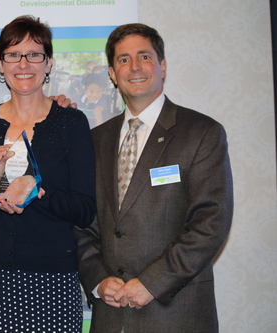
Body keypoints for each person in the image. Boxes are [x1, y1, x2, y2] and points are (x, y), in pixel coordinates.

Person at [74, 23, 233, 333]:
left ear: (162, 66)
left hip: (175, 314)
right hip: (110, 315)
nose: (134, 67)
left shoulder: (201, 133)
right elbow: (83, 223)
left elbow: (210, 222)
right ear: (111, 73)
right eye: (123, 59)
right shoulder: (94, 141)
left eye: (144, 56)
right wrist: (97, 278)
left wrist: (151, 283)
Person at [0, 15, 96, 333]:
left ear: (49, 63)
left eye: (34, 54)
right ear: (0, 64)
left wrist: (38, 193)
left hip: (54, 278)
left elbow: (86, 210)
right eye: (13, 54)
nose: (23, 63)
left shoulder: (71, 123)